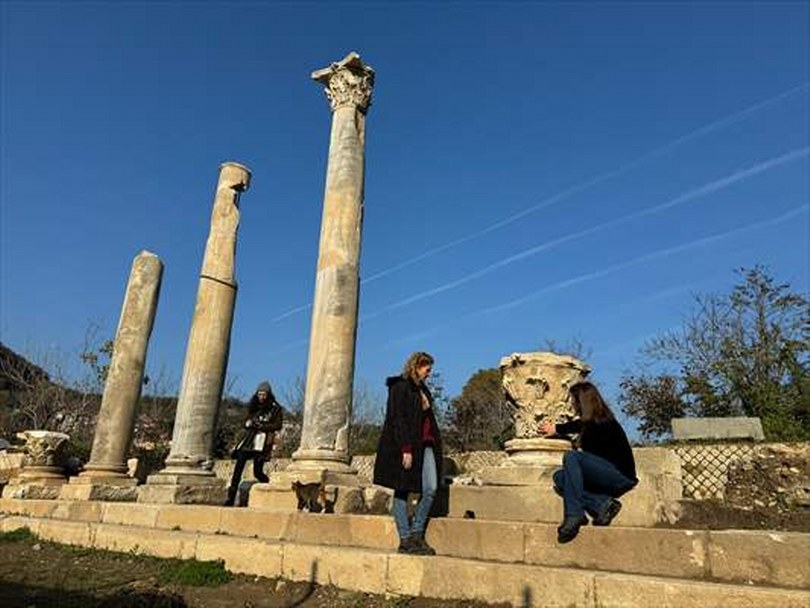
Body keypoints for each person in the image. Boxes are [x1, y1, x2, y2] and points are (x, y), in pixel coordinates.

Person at [540, 381, 637, 543]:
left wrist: (557, 429)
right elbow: (579, 426)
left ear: (582, 402)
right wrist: (557, 429)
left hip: (620, 477)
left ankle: (574, 515)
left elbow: (579, 426)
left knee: (572, 457)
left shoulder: (604, 423)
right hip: (603, 476)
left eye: (573, 401)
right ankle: (602, 505)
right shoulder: (590, 424)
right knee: (560, 477)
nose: (571, 405)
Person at [373, 351, 443, 555]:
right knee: (401, 489)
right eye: (427, 369)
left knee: (430, 488)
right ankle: (405, 540)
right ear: (417, 366)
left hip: (427, 445)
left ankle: (416, 533)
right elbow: (399, 419)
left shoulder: (424, 390)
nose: (429, 374)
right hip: (404, 446)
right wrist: (406, 449)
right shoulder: (400, 387)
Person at [225, 380, 283, 506]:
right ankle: (231, 498)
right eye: (259, 394)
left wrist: (262, 426)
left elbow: (278, 425)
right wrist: (248, 423)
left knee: (258, 471)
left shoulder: (275, 408)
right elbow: (245, 420)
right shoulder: (253, 405)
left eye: (264, 394)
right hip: (248, 440)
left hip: (262, 442)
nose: (261, 397)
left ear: (268, 394)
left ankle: (268, 489)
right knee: (238, 469)